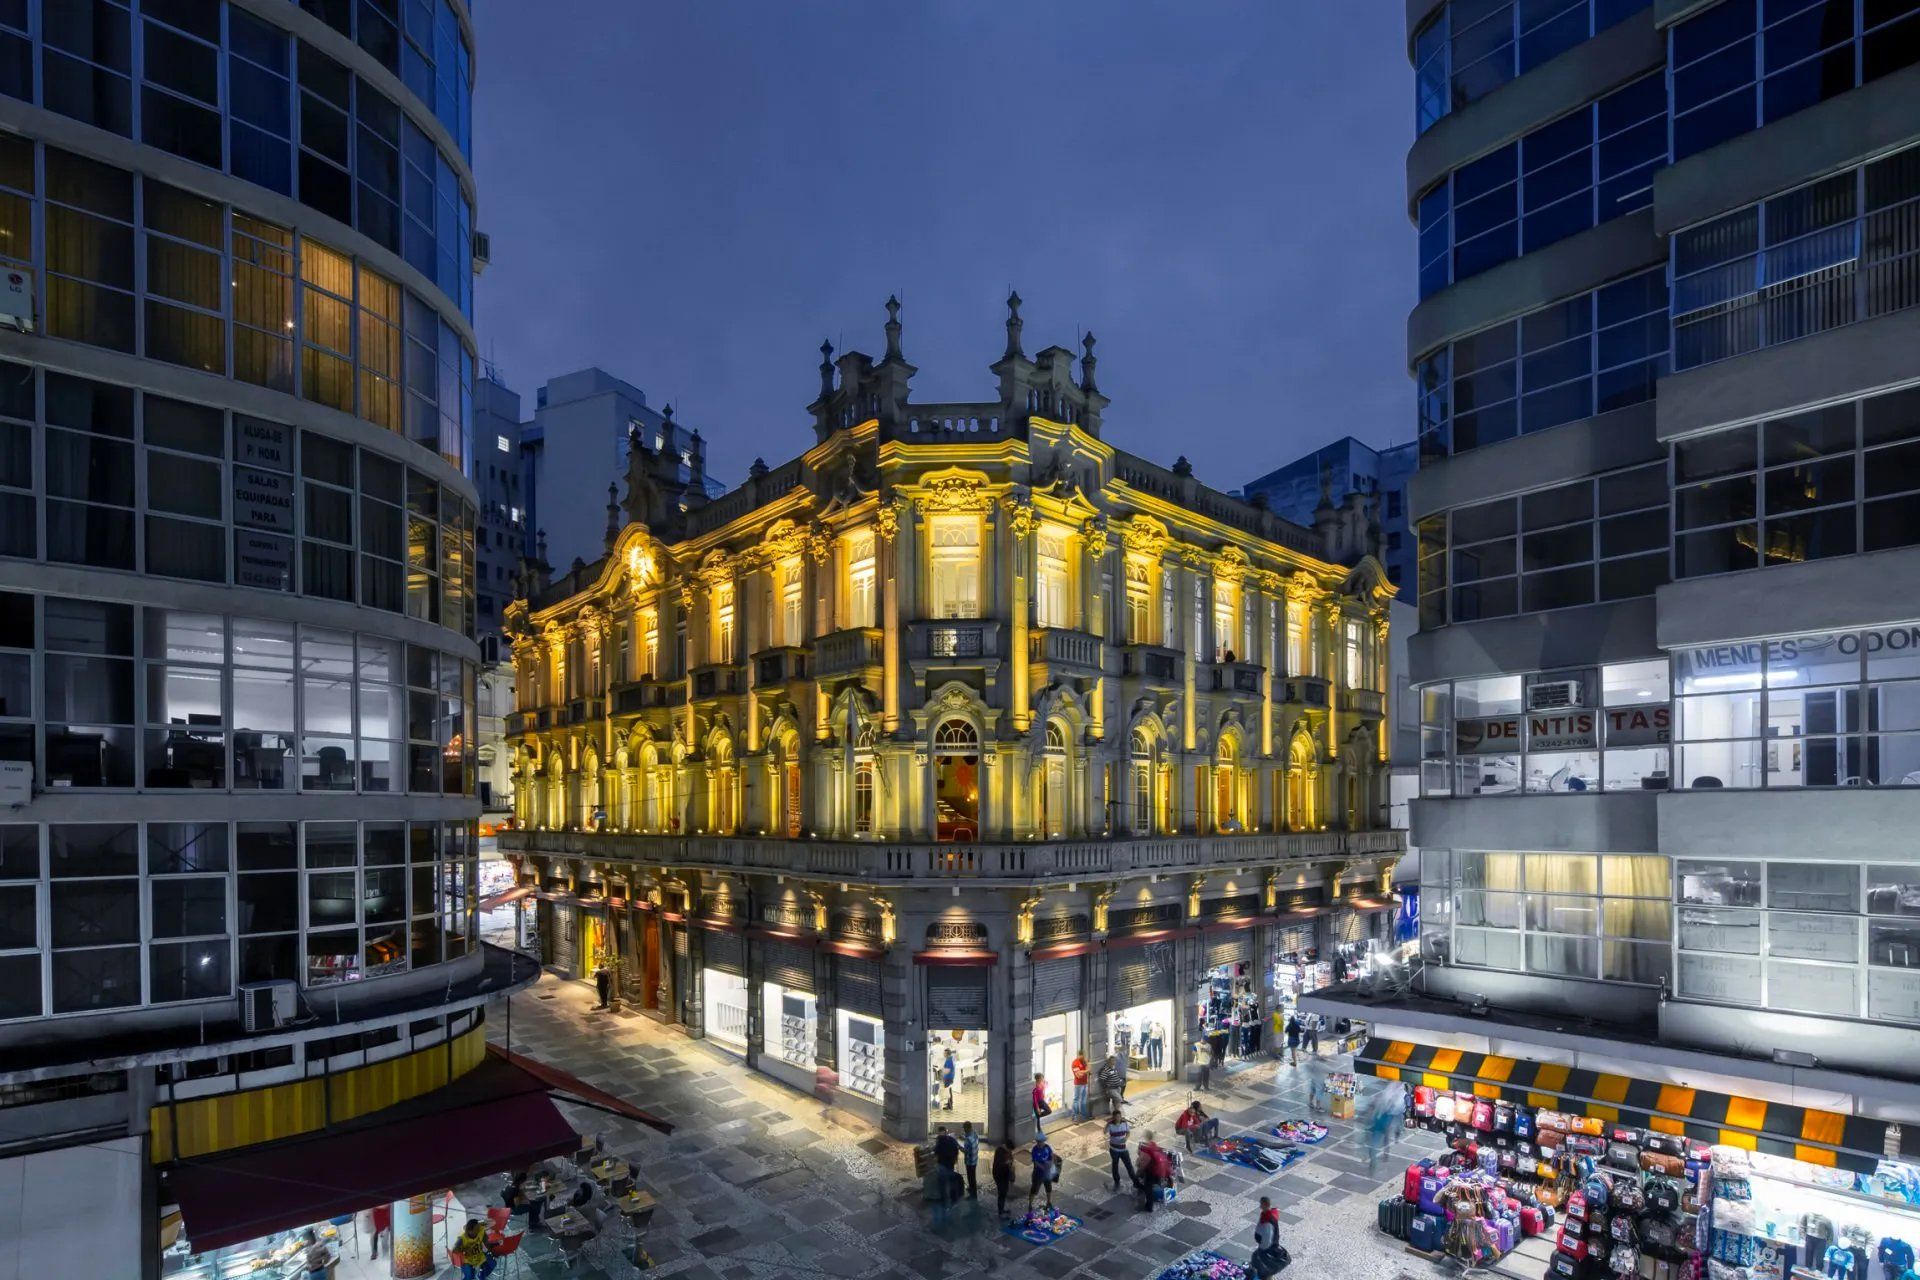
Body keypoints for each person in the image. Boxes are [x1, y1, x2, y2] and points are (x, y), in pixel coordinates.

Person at [1251, 1196, 1286, 1277]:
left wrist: (1262, 1249)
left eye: (1261, 1204)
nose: (1260, 1206)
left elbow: (1267, 1237)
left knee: (1264, 1267)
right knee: (1260, 1262)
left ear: (1266, 1205)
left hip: (1267, 1248)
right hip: (1269, 1246)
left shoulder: (1268, 1220)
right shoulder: (1269, 1215)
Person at [932, 1125, 960, 1225]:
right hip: (950, 1166)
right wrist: (954, 1160)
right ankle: (953, 1202)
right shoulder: (952, 1140)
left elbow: (935, 1153)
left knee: (942, 1186)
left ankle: (944, 1203)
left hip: (942, 1167)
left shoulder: (939, 1143)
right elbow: (957, 1150)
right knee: (951, 1184)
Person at [1105, 1109, 1137, 1191]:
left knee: (1129, 1165)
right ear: (1113, 1117)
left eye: (1119, 1117)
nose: (1118, 1118)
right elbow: (1105, 1132)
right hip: (1114, 1149)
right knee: (1115, 1166)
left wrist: (1126, 1138)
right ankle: (1117, 1181)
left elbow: (1128, 1132)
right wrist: (1107, 1125)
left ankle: (1135, 1181)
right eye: (1116, 1117)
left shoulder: (1124, 1123)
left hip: (1123, 1149)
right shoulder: (1110, 1125)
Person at [1027, 1136, 1057, 1212]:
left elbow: (1051, 1156)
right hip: (1038, 1173)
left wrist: (1050, 1163)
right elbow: (1035, 1162)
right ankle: (1030, 1204)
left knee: (1048, 1187)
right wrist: (1043, 1167)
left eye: (1042, 1142)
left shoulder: (1047, 1147)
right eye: (1039, 1142)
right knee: (1034, 1189)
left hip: (1046, 1172)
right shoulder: (1035, 1150)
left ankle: (1049, 1202)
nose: (1040, 1143)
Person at [992, 1137, 1017, 1220]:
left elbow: (1010, 1162)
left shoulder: (1008, 1152)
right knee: (1001, 1194)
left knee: (1004, 1192)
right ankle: (1000, 1213)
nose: (1011, 1151)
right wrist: (1007, 1163)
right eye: (1010, 1149)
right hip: (999, 1176)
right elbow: (999, 1166)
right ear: (1006, 1146)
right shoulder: (999, 1151)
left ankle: (1002, 1210)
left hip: (1005, 1176)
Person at [961, 1121, 981, 1201]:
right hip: (975, 1159)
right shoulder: (975, 1133)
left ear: (967, 1128)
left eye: (964, 1128)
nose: (963, 1130)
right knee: (972, 1176)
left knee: (971, 1178)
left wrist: (958, 1146)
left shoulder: (968, 1140)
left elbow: (966, 1151)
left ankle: (973, 1195)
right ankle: (972, 1189)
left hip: (970, 1161)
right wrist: (964, 1138)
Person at [1070, 1054, 1090, 1121]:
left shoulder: (1084, 1061)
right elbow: (1079, 1076)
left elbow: (1089, 1069)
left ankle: (1084, 1116)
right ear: (1079, 1055)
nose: (1084, 1057)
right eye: (1082, 1056)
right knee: (1076, 1100)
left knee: (1083, 1101)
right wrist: (1086, 1071)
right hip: (1078, 1084)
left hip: (1085, 1083)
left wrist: (1083, 1070)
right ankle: (1075, 1117)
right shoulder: (1075, 1063)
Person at [1031, 1071, 1049, 1137]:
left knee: (1049, 1111)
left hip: (1042, 1101)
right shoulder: (1035, 1088)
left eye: (1042, 1078)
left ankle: (1038, 1116)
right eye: (1041, 1078)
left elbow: (1046, 1086)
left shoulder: (1042, 1084)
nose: (1042, 1079)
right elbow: (1035, 1099)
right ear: (1038, 1079)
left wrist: (1045, 1084)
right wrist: (1037, 1108)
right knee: (1038, 1120)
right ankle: (1039, 1132)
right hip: (1037, 1103)